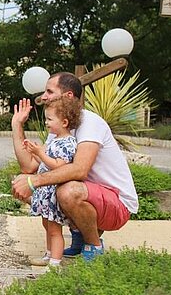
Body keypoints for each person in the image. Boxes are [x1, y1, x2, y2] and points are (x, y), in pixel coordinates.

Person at [10, 72, 138, 261]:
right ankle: (79, 237)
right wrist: (16, 125)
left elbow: (80, 169)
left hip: (118, 204)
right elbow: (28, 167)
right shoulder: (61, 128)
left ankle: (93, 247)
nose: (43, 96)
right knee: (38, 192)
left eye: (49, 91)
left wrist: (34, 181)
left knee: (66, 191)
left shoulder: (90, 122)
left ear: (68, 96)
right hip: (91, 195)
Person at [22, 96, 81, 267]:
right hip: (45, 191)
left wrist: (40, 153)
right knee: (47, 225)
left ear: (64, 122)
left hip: (53, 192)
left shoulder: (68, 143)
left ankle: (55, 263)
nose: (46, 123)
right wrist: (34, 152)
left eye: (49, 119)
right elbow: (46, 163)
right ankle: (49, 255)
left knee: (55, 230)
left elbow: (58, 166)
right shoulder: (55, 140)